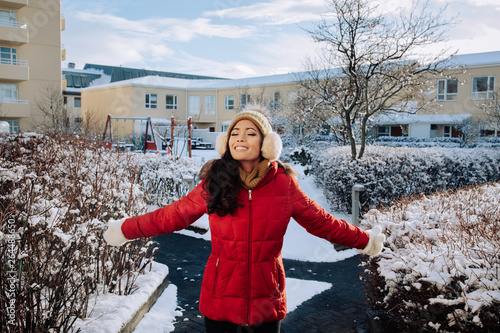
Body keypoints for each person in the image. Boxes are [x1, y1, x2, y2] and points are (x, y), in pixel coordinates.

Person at [103, 103, 385, 333]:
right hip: (220, 294)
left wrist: (366, 240)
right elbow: (172, 216)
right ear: (226, 142)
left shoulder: (284, 185)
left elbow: (322, 221)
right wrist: (124, 230)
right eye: (235, 132)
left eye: (250, 133)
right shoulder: (214, 183)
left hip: (266, 296)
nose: (240, 137)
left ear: (267, 143)